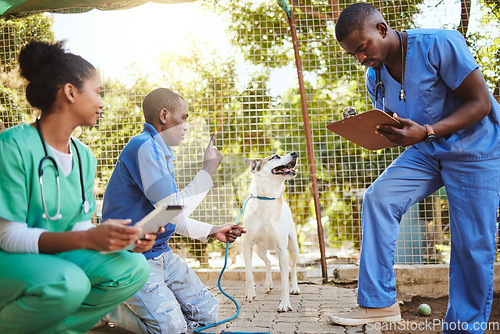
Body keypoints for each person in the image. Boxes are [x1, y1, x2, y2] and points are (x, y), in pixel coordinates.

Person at [330, 3, 500, 333]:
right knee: (379, 198)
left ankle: (464, 328)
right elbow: (404, 125)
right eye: (354, 55)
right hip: (427, 150)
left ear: (381, 29)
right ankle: (379, 304)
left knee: (470, 244)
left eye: (362, 49)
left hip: (474, 149)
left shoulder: (439, 44)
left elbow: (480, 103)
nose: (361, 59)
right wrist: (388, 133)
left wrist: (427, 131)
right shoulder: (374, 77)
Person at [0, 41, 155, 334]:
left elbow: (81, 227)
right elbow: (9, 237)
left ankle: (55, 330)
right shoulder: (12, 146)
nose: (102, 102)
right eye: (98, 92)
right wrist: (88, 240)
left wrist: (126, 241)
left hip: (57, 259)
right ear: (70, 92)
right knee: (71, 283)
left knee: (134, 268)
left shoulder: (84, 157)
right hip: (9, 259)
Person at [102, 87, 246, 333]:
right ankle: (107, 307)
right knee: (170, 328)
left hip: (161, 254)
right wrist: (207, 171)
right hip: (133, 259)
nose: (186, 126)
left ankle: (159, 311)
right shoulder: (144, 146)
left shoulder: (160, 152)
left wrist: (212, 230)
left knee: (208, 313)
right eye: (184, 118)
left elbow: (167, 216)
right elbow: (173, 210)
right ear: (164, 115)